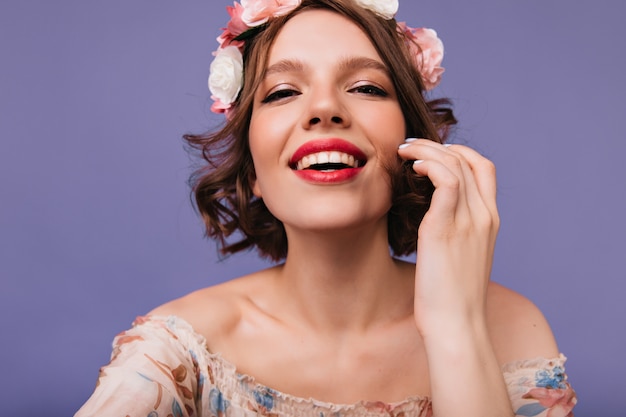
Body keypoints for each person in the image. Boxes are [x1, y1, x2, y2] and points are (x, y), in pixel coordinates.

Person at [76, 0, 577, 416]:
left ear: (416, 145)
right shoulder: (179, 355)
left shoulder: (510, 329)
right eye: (283, 92)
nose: (324, 109)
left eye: (365, 87)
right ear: (251, 168)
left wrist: (456, 327)